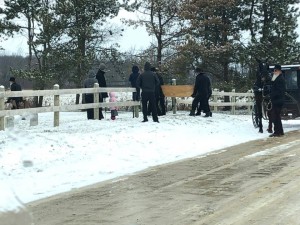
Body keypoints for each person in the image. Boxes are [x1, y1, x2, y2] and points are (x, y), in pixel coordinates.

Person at [269, 64, 286, 137]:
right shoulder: (277, 78)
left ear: (279, 71)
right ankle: (280, 131)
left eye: (275, 70)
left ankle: (277, 132)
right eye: (274, 70)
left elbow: (279, 91)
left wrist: (272, 95)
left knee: (275, 116)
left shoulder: (280, 79)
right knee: (277, 116)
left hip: (278, 100)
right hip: (277, 100)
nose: (274, 72)